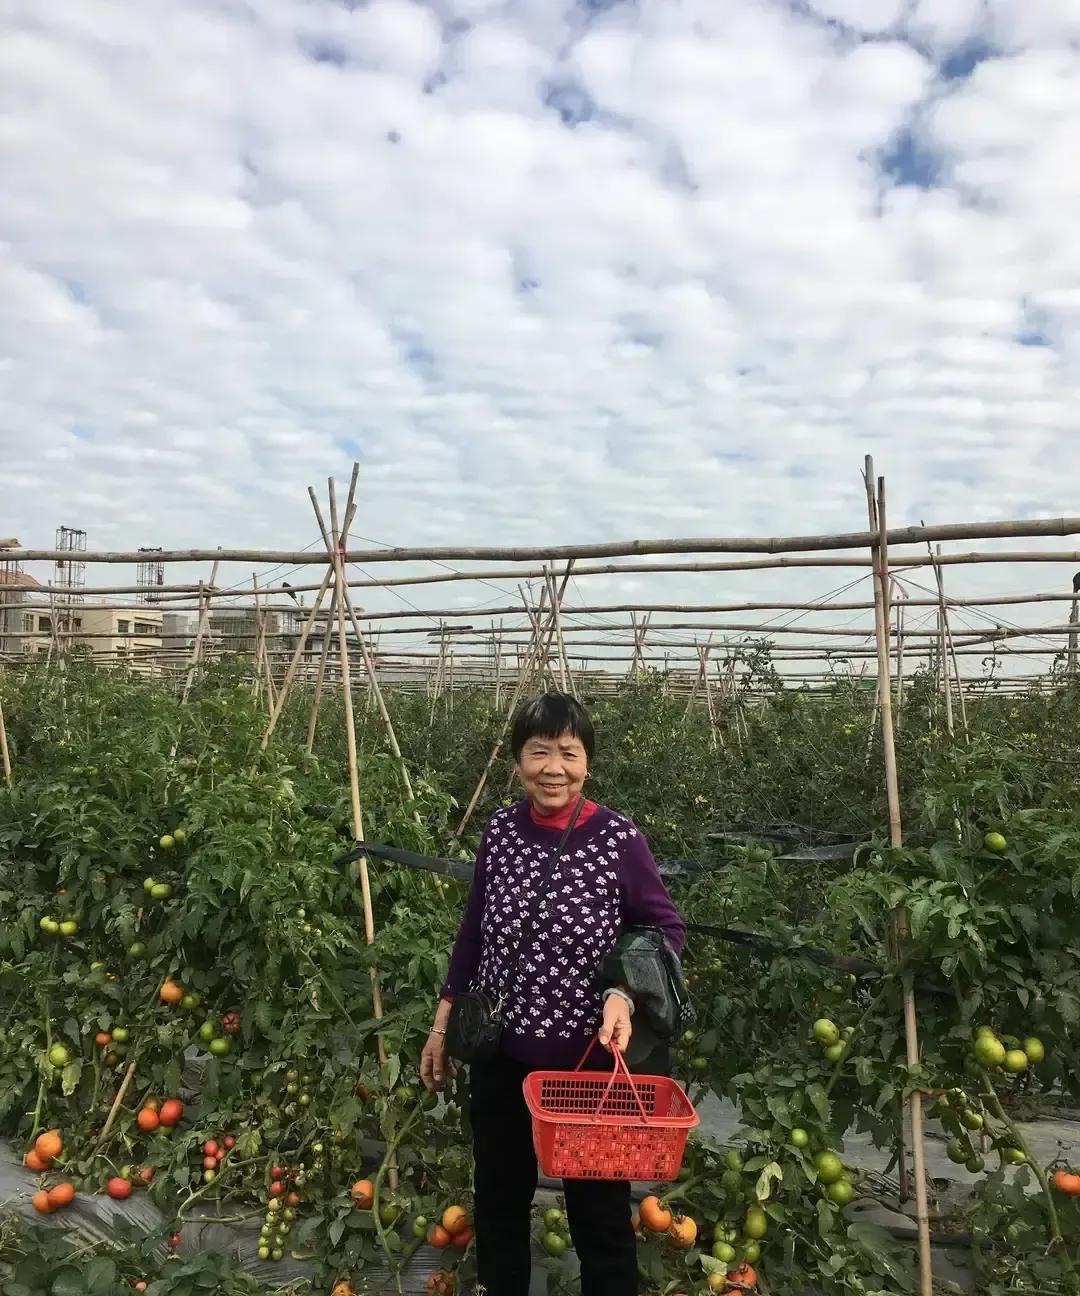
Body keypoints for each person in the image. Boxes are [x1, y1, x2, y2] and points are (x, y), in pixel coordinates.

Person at [420, 692, 686, 1296]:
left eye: (568, 752)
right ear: (518, 761)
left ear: (587, 761)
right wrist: (441, 1028)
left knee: (601, 1219)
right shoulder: (501, 832)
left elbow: (664, 928)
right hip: (501, 1055)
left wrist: (622, 992)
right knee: (499, 1199)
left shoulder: (618, 839)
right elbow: (472, 937)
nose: (553, 768)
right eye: (539, 752)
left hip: (587, 1067)